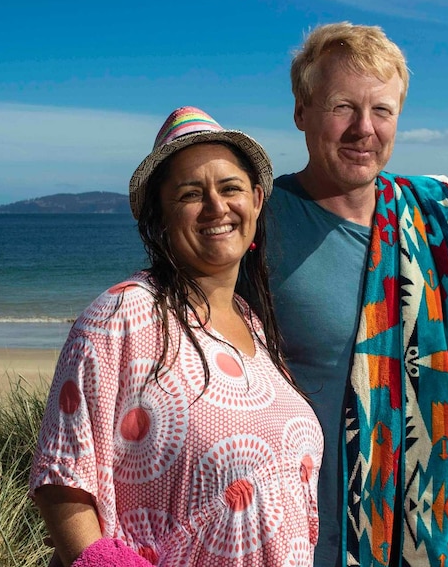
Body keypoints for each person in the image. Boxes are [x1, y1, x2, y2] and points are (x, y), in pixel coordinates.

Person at [264, 23, 448, 567]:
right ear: (301, 112)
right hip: (296, 539)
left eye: (382, 110)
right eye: (341, 107)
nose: (363, 129)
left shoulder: (430, 220)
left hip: (429, 536)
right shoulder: (258, 222)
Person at [29, 106, 323, 567]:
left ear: (257, 201)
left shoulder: (253, 323)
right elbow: (62, 477)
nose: (216, 207)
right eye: (191, 194)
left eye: (231, 188)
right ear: (160, 215)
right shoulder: (124, 314)